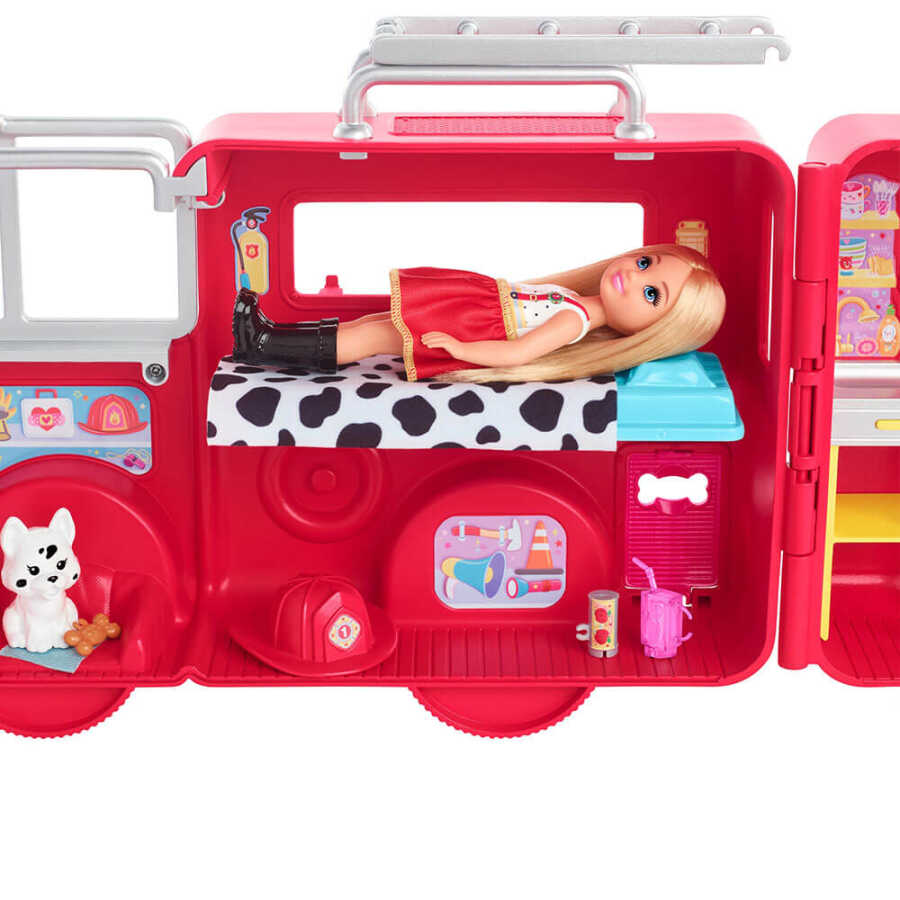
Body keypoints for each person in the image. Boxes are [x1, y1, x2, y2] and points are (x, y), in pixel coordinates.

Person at [232, 243, 725, 383]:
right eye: (645, 263)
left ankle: (263, 344)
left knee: (376, 337)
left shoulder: (575, 320)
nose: (634, 277)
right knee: (372, 325)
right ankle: (273, 335)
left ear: (653, 333)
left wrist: (460, 348)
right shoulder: (576, 299)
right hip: (474, 314)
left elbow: (519, 353)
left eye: (652, 295)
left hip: (472, 329)